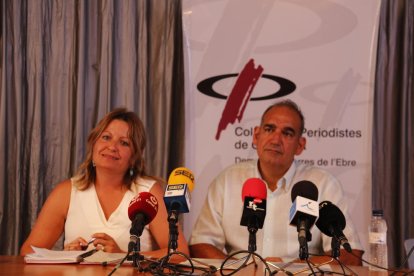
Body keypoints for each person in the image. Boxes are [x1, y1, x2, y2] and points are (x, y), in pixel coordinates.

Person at [189, 99, 364, 265]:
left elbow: (350, 254)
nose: (276, 139)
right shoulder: (226, 182)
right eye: (269, 129)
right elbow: (201, 244)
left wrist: (291, 270)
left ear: (300, 145)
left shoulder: (322, 184)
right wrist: (240, 271)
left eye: (287, 133)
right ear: (256, 136)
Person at [20, 108, 189, 258]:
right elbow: (29, 252)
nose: (112, 146)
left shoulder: (149, 192)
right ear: (93, 145)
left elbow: (179, 253)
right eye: (106, 137)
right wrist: (65, 256)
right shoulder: (67, 191)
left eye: (124, 143)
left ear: (134, 157)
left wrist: (124, 256)